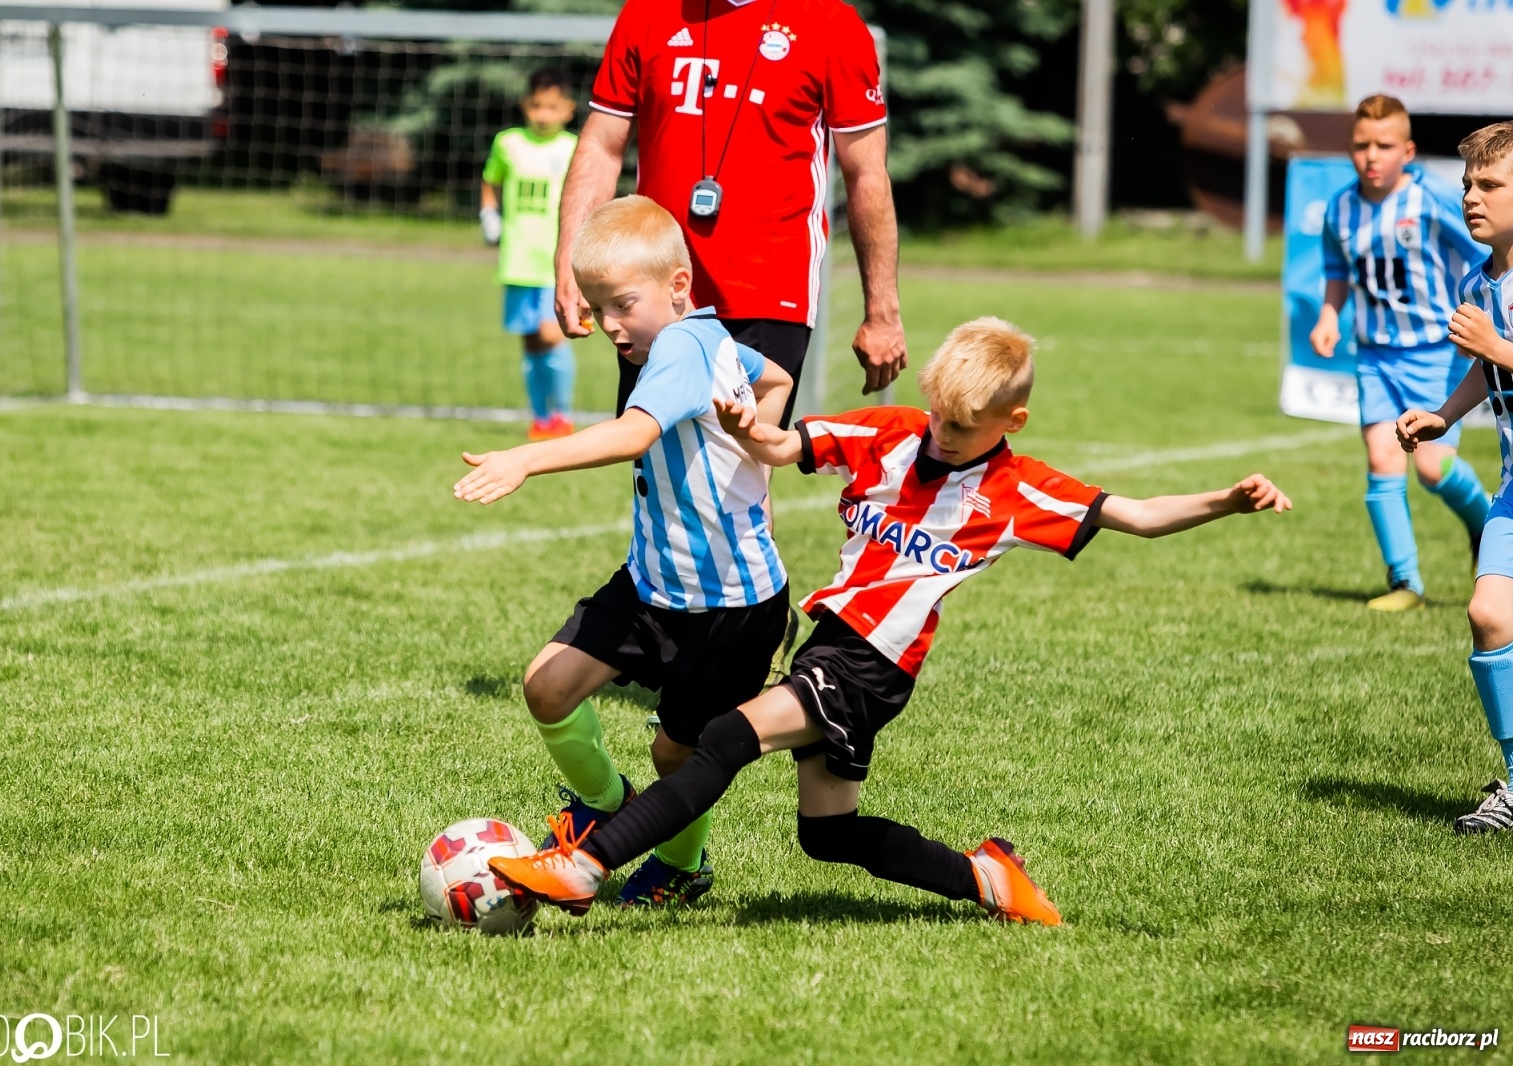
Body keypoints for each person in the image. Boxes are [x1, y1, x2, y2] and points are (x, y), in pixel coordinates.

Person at [489, 317, 1293, 923]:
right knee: (826, 837)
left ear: (1010, 423)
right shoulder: (893, 433)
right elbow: (781, 448)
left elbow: (1142, 513)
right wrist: (749, 432)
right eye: (938, 413)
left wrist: (1227, 501)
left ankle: (587, 866)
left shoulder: (1020, 488)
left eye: (962, 426)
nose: (941, 434)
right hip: (830, 646)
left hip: (870, 667)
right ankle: (987, 878)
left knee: (729, 736)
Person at [454, 196, 795, 903]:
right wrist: (753, 430)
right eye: (599, 306)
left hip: (730, 605)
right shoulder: (708, 338)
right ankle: (605, 806)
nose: (610, 324)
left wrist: (526, 459)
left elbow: (633, 434)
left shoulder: (680, 347)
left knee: (676, 753)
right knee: (547, 686)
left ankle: (681, 865)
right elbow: (777, 379)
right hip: (652, 585)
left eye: (622, 305)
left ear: (677, 288)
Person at [552, 0, 908, 428]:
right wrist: (570, 258)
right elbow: (601, 146)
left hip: (769, 290)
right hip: (654, 288)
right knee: (655, 464)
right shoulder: (646, 12)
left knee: (741, 475)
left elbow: (867, 174)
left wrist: (882, 312)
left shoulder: (831, 22)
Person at [1311, 94, 1491, 612]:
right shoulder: (1339, 207)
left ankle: (1485, 526)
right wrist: (1329, 315)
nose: (1371, 156)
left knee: (1434, 470)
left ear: (1407, 151)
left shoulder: (1431, 202)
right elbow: (1337, 270)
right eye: (1361, 145)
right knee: (1381, 456)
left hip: (1437, 354)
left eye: (1384, 145)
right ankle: (1404, 584)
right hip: (1374, 355)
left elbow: (1482, 253)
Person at [1397, 121, 1513, 834]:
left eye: (1491, 185)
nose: (1472, 197)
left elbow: (1494, 350)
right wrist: (1445, 415)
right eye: (1468, 184)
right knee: (1488, 614)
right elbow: (1486, 366)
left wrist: (1497, 344)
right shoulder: (1480, 277)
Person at [481, 69, 580, 441]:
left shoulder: (573, 148)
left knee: (553, 335)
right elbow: (491, 180)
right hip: (518, 259)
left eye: (552, 107)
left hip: (557, 261)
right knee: (531, 339)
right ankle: (540, 417)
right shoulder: (508, 143)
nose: (543, 114)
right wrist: (488, 215)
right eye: (537, 106)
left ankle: (563, 414)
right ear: (526, 105)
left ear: (567, 109)